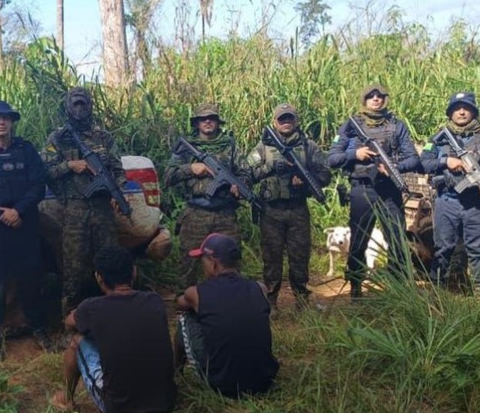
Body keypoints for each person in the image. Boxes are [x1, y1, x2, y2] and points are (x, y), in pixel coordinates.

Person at [52, 245, 176, 413]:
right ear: (134, 272)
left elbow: (69, 323)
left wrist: (82, 316)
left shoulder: (92, 308)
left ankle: (66, 397)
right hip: (166, 403)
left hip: (120, 410)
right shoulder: (154, 301)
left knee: (78, 341)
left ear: (99, 278)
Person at [0, 100, 51, 359]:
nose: (1, 122)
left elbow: (38, 184)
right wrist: (0, 214)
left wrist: (19, 211)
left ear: (12, 122)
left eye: (5, 118)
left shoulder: (26, 150)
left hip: (25, 225)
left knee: (31, 281)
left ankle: (39, 329)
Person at [328, 84, 421, 299]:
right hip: (362, 188)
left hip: (389, 189)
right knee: (359, 239)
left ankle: (399, 288)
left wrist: (394, 168)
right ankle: (356, 286)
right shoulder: (351, 125)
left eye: (380, 96)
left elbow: (413, 158)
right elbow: (332, 158)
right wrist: (355, 154)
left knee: (397, 239)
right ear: (364, 100)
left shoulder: (396, 125)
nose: (376, 99)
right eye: (371, 96)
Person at [42, 87, 126, 318]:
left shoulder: (104, 137)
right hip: (74, 210)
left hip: (103, 210)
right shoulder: (57, 138)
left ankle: (115, 316)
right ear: (68, 106)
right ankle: (71, 319)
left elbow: (118, 171)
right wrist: (70, 166)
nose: (79, 108)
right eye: (75, 104)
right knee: (73, 268)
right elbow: (45, 171)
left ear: (90, 106)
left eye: (83, 104)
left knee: (110, 263)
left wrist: (116, 192)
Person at [420, 93, 480, 293]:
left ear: (473, 111)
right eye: (457, 108)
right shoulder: (438, 138)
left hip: (476, 203)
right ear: (450, 112)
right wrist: (446, 162)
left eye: (466, 108)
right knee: (443, 248)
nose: (461, 112)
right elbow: (423, 162)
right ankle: (438, 292)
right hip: (447, 200)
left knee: (478, 250)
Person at [249, 103, 331, 311]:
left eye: (289, 118)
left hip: (297, 210)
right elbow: (246, 174)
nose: (286, 122)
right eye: (281, 119)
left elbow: (325, 174)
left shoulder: (308, 147)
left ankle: (302, 301)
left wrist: (305, 179)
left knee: (300, 255)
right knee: (271, 257)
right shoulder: (263, 148)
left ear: (296, 121)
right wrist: (269, 168)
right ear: (274, 122)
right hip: (271, 210)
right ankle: (271, 302)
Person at [174, 233, 278, 397]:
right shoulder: (260, 288)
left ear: (213, 263)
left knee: (185, 318)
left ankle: (176, 373)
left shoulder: (196, 293)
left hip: (223, 386)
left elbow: (179, 303)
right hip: (264, 381)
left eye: (203, 261)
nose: (202, 266)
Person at [165, 103, 250, 293]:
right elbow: (168, 176)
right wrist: (191, 169)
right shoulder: (186, 148)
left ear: (218, 122)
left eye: (211, 118)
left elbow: (244, 172)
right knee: (188, 262)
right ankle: (185, 306)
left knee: (230, 260)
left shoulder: (229, 145)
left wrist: (240, 185)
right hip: (196, 213)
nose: (208, 121)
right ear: (196, 123)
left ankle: (230, 303)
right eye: (203, 118)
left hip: (225, 213)